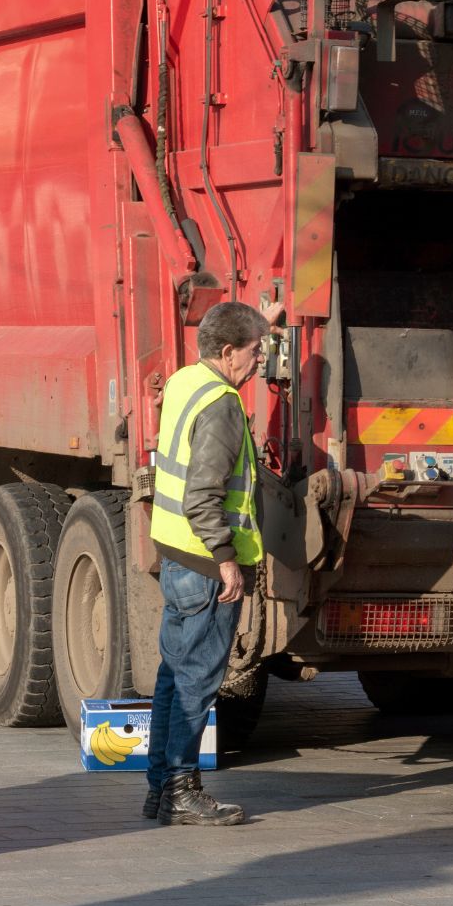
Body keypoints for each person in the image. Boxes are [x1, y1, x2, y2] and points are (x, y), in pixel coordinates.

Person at [143, 299, 282, 827]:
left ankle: (161, 789)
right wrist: (227, 560)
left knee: (173, 677)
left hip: (177, 557)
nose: (260, 359)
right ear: (227, 352)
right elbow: (203, 495)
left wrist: (262, 320)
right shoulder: (222, 404)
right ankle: (183, 792)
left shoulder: (186, 380)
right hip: (206, 567)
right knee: (197, 683)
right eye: (255, 349)